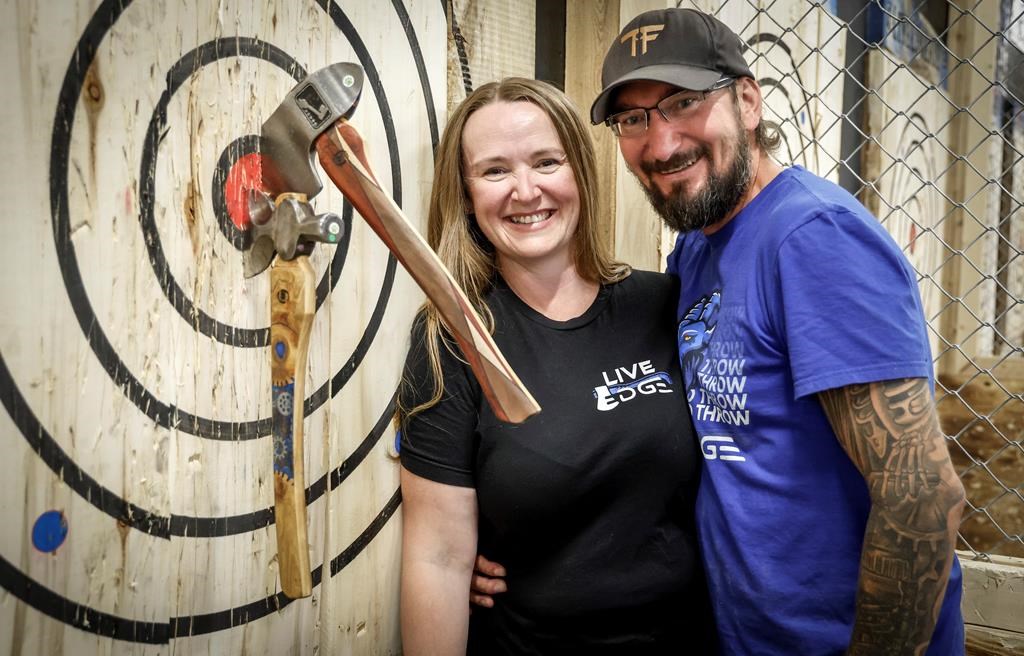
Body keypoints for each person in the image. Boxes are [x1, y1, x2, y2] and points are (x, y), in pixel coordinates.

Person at [472, 8, 967, 655]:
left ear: (748, 100)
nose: (662, 142)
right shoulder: (697, 255)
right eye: (633, 119)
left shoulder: (813, 238)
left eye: (683, 102)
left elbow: (921, 496)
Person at [398, 77, 714, 654]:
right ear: (466, 194)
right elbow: (437, 557)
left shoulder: (665, 304)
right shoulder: (455, 339)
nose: (525, 190)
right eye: (494, 171)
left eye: (547, 161)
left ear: (580, 174)